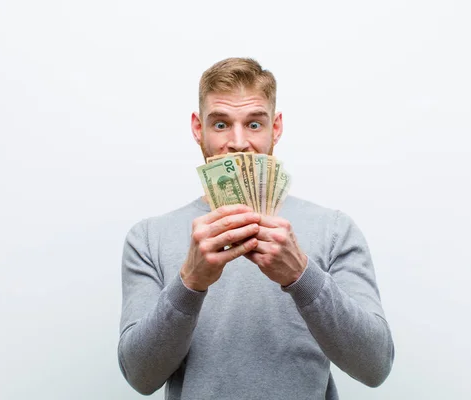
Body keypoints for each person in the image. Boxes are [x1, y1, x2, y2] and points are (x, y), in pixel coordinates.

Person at [118, 57, 395, 399]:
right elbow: (140, 377)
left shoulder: (334, 230)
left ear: (275, 128)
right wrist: (189, 282)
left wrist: (302, 276)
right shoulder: (148, 238)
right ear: (197, 128)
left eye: (253, 124)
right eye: (220, 124)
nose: (237, 142)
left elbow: (375, 366)